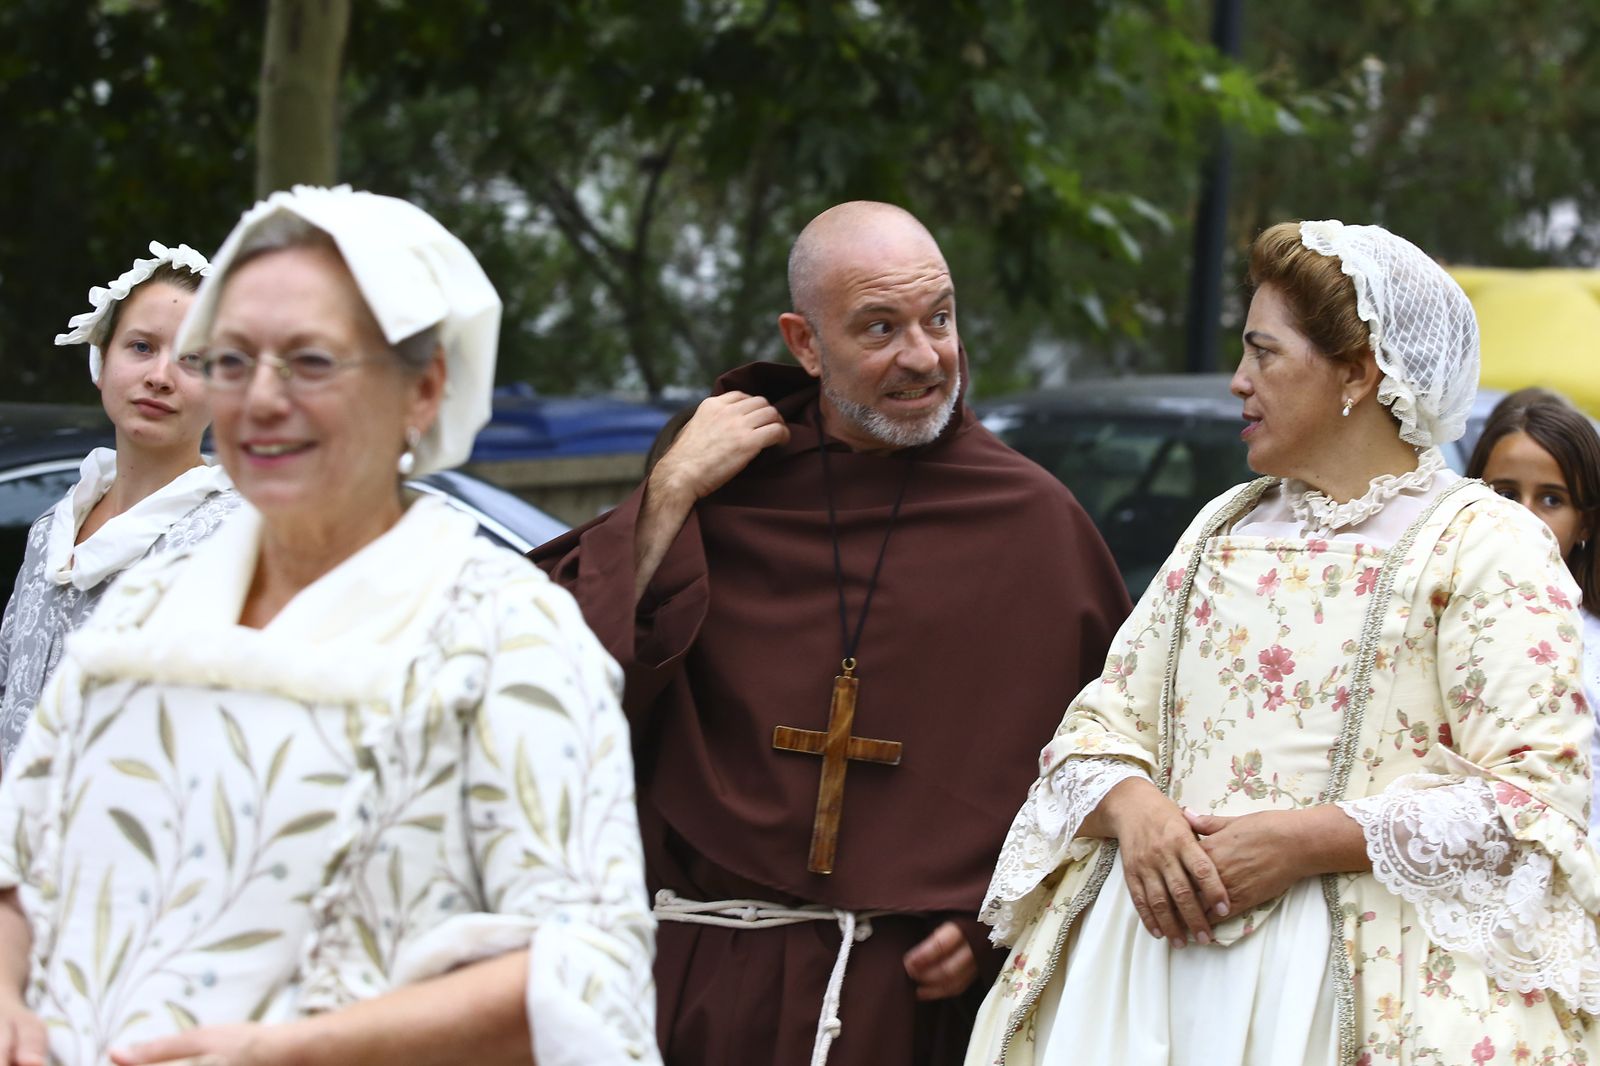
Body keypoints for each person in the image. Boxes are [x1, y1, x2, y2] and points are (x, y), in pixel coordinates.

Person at [0, 186, 658, 1066]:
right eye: (230, 360)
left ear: (424, 389)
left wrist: (297, 1049)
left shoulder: (508, 633)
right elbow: (21, 856)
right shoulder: (149, 613)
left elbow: (588, 965)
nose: (260, 400)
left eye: (311, 362)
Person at [966, 220, 1600, 1065]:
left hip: (1369, 983)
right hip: (1150, 979)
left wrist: (1305, 839)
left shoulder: (1486, 542)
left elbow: (1532, 802)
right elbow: (1093, 731)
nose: (1238, 381)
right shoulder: (1220, 527)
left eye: (1264, 354)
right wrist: (1136, 809)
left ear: (1357, 374)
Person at [532, 200, 1130, 1066]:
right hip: (692, 987)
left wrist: (991, 919)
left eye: (940, 318)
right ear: (805, 344)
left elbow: (1103, 766)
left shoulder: (1033, 526)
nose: (924, 356)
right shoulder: (723, 482)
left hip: (901, 1008)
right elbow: (542, 683)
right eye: (880, 328)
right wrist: (666, 496)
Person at [0, 242, 236, 772]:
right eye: (141, 347)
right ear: (101, 361)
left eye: (194, 360)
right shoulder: (50, 531)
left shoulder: (232, 541)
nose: (160, 375)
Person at [1467, 391, 1600, 832]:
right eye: (1504, 493)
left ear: (1585, 522)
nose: (1521, 517)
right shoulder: (1437, 621)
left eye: (1550, 499)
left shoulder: (1591, 644)